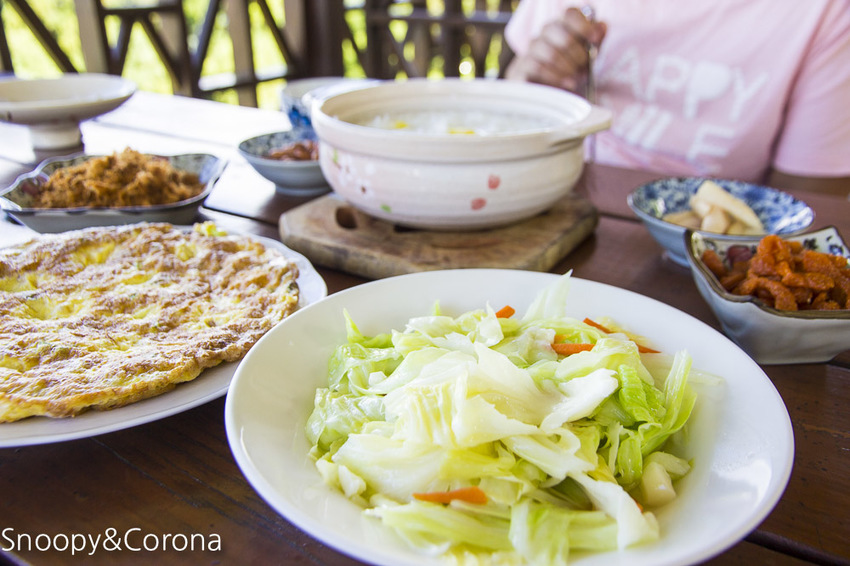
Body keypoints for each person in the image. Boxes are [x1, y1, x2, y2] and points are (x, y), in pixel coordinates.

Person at [504, 0, 850, 198]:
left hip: (705, 248)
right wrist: (534, 81)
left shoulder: (825, 11)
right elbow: (509, 109)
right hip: (559, 203)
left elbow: (810, 200)